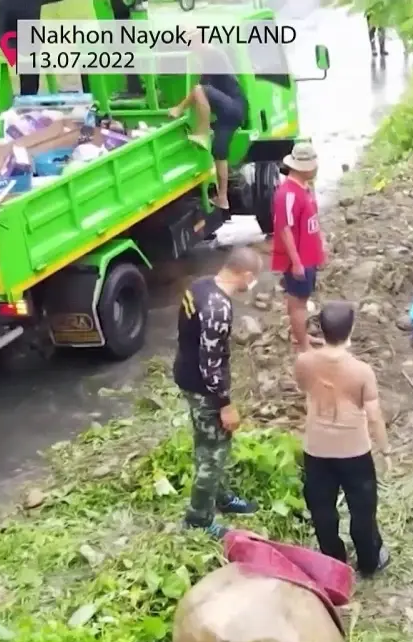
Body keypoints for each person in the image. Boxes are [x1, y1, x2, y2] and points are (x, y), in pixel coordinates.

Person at [294, 302, 392, 576]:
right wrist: (385, 451)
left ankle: (334, 561)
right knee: (362, 509)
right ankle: (370, 560)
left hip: (316, 448)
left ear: (321, 330)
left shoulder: (304, 361)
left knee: (322, 509)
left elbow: (304, 388)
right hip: (354, 451)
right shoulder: (361, 370)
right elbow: (373, 415)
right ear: (351, 329)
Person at [172, 247, 263, 538]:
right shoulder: (218, 307)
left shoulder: (199, 286)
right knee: (213, 452)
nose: (252, 284)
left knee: (207, 442)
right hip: (203, 388)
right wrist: (225, 403)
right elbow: (209, 361)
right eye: (254, 278)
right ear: (245, 275)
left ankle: (219, 496)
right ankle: (198, 519)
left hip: (186, 375)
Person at [168, 40, 248, 212]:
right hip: (233, 114)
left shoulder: (215, 54)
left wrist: (180, 108)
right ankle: (223, 198)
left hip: (233, 106)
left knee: (199, 89)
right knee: (220, 153)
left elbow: (200, 90)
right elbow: (203, 98)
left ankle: (201, 132)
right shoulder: (208, 65)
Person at [271, 143, 324, 353]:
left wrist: (322, 246)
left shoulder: (304, 188)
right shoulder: (287, 194)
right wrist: (296, 262)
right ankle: (302, 343)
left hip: (309, 255)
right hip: (299, 258)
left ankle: (300, 335)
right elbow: (284, 229)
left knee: (301, 299)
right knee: (298, 301)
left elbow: (312, 221)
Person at [0, 0, 42, 96]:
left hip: (30, 44)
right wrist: (13, 54)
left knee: (30, 66)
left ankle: (30, 100)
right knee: (28, 64)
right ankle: (28, 100)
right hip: (12, 42)